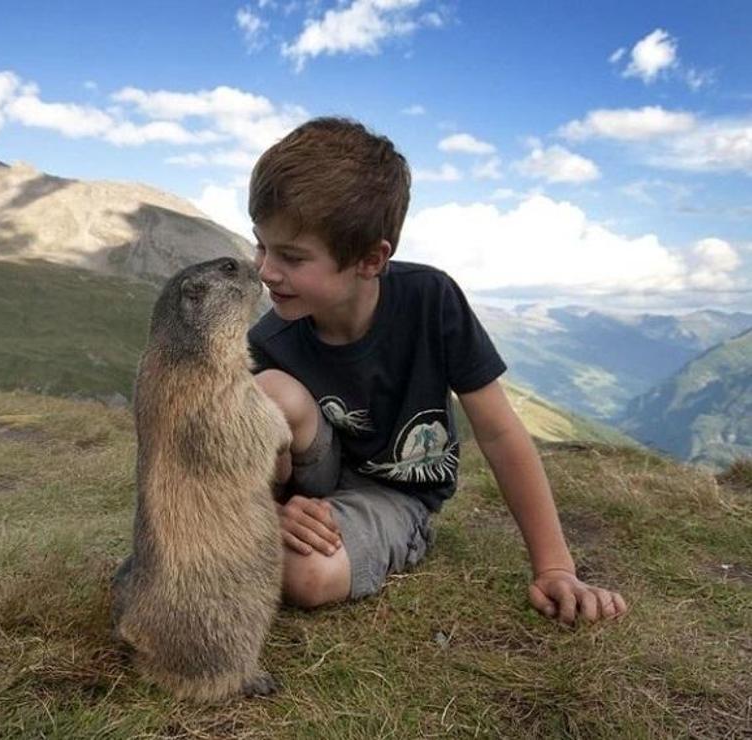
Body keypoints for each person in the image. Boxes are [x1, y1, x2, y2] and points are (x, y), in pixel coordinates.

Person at [247, 116, 627, 624]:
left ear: (370, 259)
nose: (266, 270)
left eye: (291, 256)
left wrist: (555, 566)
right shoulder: (269, 338)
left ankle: (378, 538)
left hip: (396, 494)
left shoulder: (432, 300)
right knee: (267, 393)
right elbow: (233, 450)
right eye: (261, 245)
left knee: (306, 577)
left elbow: (499, 433)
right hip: (306, 484)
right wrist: (268, 512)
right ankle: (259, 526)